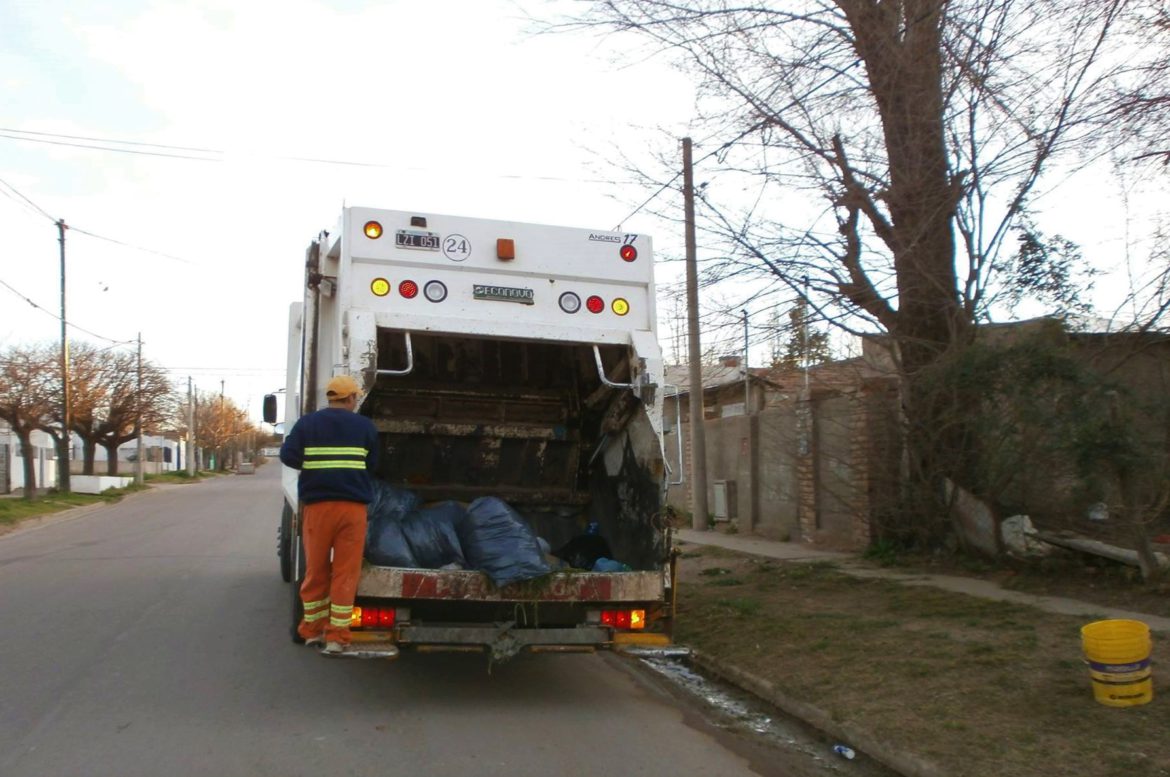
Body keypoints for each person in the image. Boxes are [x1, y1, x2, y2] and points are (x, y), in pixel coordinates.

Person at [280, 374, 379, 655]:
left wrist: (313, 464)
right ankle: (337, 638)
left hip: (318, 508)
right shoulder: (365, 426)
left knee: (316, 570)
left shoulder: (307, 424)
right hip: (352, 510)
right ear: (349, 399)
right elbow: (372, 464)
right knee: (346, 573)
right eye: (355, 397)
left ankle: (311, 631)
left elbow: (288, 456)